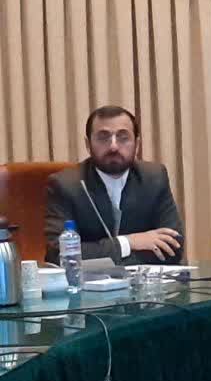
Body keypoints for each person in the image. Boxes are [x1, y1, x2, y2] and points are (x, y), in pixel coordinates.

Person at [44, 105, 185, 265]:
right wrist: (127, 243)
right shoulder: (66, 185)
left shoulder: (154, 178)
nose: (113, 146)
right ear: (88, 144)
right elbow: (60, 253)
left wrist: (106, 257)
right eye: (103, 138)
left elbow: (173, 247)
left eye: (123, 137)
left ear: (137, 144)